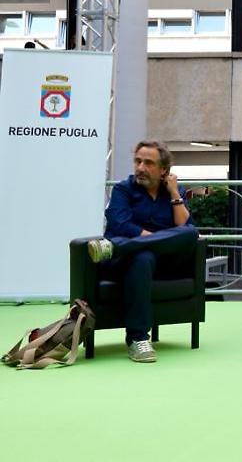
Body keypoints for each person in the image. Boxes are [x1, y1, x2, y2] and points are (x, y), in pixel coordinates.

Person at [89, 140, 199, 363]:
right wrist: (158, 241)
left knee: (191, 232)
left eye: (148, 163)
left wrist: (174, 192)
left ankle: (116, 247)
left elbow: (184, 226)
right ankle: (138, 339)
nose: (140, 167)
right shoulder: (123, 189)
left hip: (151, 259)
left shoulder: (174, 192)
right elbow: (120, 224)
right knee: (143, 257)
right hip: (124, 262)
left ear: (164, 170)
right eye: (138, 161)